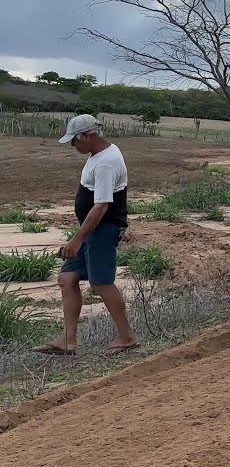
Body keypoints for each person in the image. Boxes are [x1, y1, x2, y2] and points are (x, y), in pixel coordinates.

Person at [34, 114, 139, 356]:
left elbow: (101, 206)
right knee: (67, 277)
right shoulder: (99, 155)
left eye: (74, 140)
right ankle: (68, 341)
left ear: (86, 136)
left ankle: (127, 336)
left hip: (103, 229)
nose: (73, 145)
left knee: (101, 282)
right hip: (91, 230)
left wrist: (77, 239)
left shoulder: (106, 163)